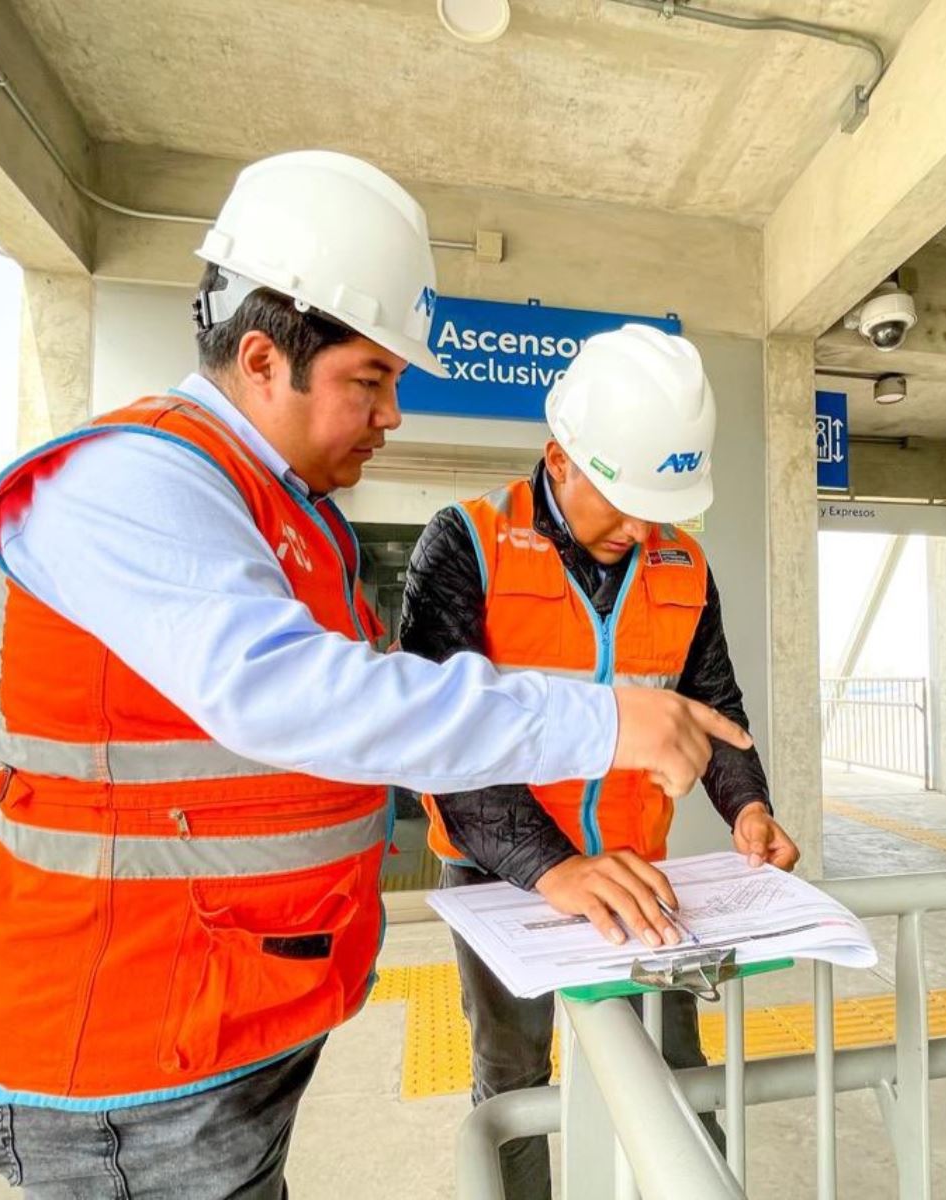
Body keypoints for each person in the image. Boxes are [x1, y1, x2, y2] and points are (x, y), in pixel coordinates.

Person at [0, 151, 749, 1199]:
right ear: (268, 359)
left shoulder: (289, 519)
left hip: (221, 1032)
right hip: (126, 1059)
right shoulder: (131, 483)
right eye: (370, 381)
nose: (393, 415)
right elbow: (301, 695)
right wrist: (604, 723)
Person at [400, 324, 799, 1198]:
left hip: (637, 867)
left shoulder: (681, 562)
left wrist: (748, 808)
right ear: (560, 458)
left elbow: (716, 711)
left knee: (676, 1067)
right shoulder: (466, 542)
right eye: (620, 501)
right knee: (512, 1073)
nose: (637, 526)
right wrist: (556, 868)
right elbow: (444, 745)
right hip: (497, 869)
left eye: (660, 505)